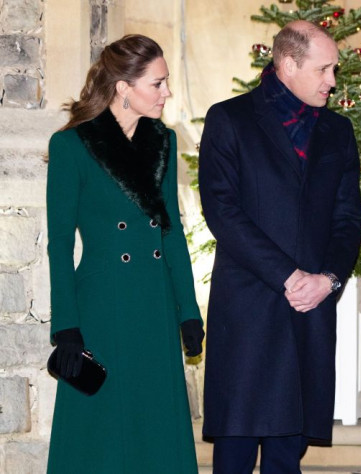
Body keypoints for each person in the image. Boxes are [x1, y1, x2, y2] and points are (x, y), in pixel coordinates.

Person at [197, 19, 361, 473]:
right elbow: (223, 212)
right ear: (288, 64)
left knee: (288, 452)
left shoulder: (337, 131)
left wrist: (327, 280)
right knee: (234, 451)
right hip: (250, 307)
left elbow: (349, 219)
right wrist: (289, 276)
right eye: (324, 70)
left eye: (335, 70)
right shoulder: (229, 119)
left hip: (309, 311)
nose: (332, 81)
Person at [46, 34, 204, 473]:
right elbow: (58, 244)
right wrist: (67, 328)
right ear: (123, 88)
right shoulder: (72, 146)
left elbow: (171, 232)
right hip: (103, 307)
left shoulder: (164, 142)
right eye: (157, 83)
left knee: (156, 425)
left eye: (166, 82)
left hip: (153, 304)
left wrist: (187, 310)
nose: (167, 92)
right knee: (100, 431)